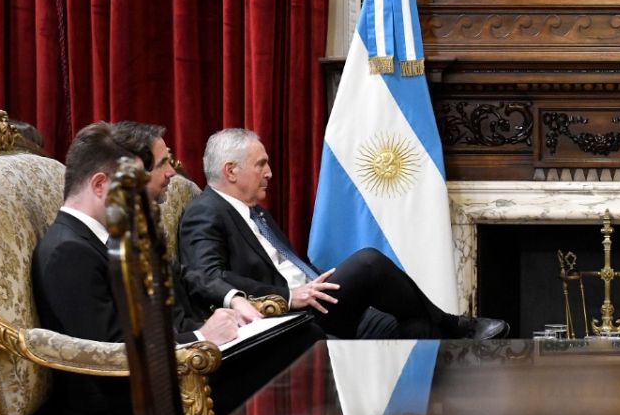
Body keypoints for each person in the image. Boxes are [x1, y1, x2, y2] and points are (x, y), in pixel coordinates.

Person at [30, 122, 318, 415]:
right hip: (125, 401)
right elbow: (108, 353)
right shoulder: (68, 252)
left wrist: (232, 300)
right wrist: (200, 337)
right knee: (300, 345)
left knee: (298, 332)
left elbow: (181, 274)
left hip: (174, 368)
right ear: (101, 185)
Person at [176, 128, 507, 341]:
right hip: (291, 315)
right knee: (368, 262)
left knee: (417, 328)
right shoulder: (205, 212)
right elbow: (208, 275)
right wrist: (290, 296)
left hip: (320, 304)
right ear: (231, 170)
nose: (270, 173)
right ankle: (457, 326)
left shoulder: (256, 212)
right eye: (261, 164)